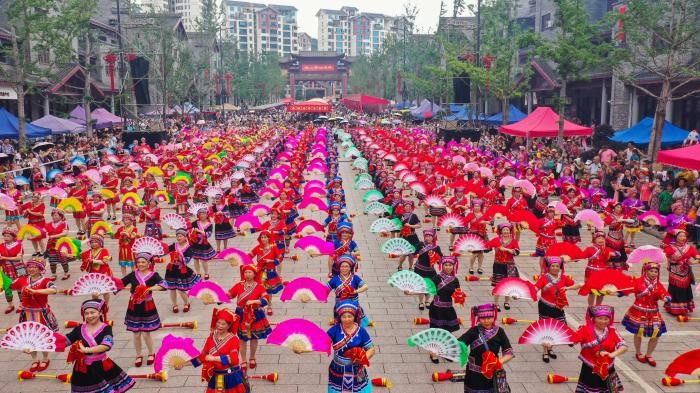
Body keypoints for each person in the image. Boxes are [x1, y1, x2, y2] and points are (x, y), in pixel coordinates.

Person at [65, 299, 135, 393]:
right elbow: (66, 340)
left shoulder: (106, 328)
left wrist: (87, 350)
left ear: (101, 312)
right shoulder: (79, 328)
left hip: (100, 366)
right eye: (86, 313)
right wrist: (50, 340)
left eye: (92, 312)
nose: (89, 316)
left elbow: (106, 345)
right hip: (82, 368)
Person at [174, 308, 247, 393]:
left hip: (231, 377)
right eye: (218, 322)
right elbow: (202, 357)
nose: (219, 326)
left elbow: (233, 359)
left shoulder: (234, 339)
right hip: (216, 376)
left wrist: (214, 358)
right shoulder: (211, 338)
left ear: (229, 325)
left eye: (223, 324)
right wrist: (183, 364)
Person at [11, 257, 59, 372]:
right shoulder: (22, 280)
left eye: (34, 267)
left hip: (41, 314)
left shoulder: (45, 281)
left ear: (40, 268)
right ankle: (34, 359)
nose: (31, 269)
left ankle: (45, 358)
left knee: (42, 336)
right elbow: (11, 286)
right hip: (27, 313)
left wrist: (36, 291)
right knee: (29, 336)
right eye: (29, 266)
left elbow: (54, 290)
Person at [621, 261, 670, 367]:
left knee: (656, 334)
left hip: (653, 312)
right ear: (646, 271)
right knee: (638, 333)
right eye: (651, 271)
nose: (653, 273)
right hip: (639, 311)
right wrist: (617, 292)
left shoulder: (658, 284)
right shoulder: (638, 281)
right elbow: (628, 289)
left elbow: (663, 293)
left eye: (656, 271)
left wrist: (665, 298)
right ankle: (638, 352)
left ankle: (649, 354)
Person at [120, 251, 166, 367]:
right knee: (136, 334)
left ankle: (151, 353)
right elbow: (120, 284)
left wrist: (149, 288)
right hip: (134, 306)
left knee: (146, 333)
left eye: (143, 262)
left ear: (149, 263)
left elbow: (164, 285)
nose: (140, 264)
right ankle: (138, 354)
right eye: (138, 262)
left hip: (147, 305)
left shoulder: (153, 275)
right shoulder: (132, 275)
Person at [533, 256, 582, 363]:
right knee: (546, 329)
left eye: (557, 266)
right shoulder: (544, 278)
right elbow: (535, 288)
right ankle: (545, 351)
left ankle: (551, 348)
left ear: (560, 267)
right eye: (553, 266)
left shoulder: (564, 278)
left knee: (557, 327)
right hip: (545, 306)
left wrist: (568, 288)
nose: (555, 268)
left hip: (558, 307)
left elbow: (578, 285)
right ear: (549, 267)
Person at [457, 303, 514, 393]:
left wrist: (497, 363)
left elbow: (509, 352)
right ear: (479, 319)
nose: (486, 321)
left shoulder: (500, 331)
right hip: (474, 373)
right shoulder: (473, 331)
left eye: (489, 318)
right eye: (483, 318)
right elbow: (460, 342)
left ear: (494, 317)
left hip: (492, 372)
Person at [225, 264, 271, 373]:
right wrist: (218, 297)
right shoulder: (239, 285)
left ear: (254, 274)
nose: (247, 274)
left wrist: (254, 301)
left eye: (250, 272)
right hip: (241, 314)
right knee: (242, 338)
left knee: (254, 337)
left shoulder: (259, 286)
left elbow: (265, 299)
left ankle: (252, 357)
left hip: (254, 315)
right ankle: (244, 360)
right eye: (245, 272)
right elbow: (229, 295)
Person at [572, 305, 628, 393]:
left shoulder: (612, 331)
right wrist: (551, 343)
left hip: (608, 368)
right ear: (593, 318)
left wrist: (611, 354)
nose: (603, 321)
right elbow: (571, 341)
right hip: (590, 369)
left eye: (606, 319)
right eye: (600, 318)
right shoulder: (584, 329)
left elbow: (624, 346)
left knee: (610, 390)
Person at [326, 300, 376, 393]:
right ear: (339, 317)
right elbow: (322, 343)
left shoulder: (361, 331)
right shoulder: (334, 330)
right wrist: (304, 349)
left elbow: (371, 349)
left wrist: (363, 358)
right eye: (343, 316)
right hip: (338, 369)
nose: (347, 319)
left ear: (355, 316)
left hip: (356, 369)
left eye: (350, 316)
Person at [426, 256, 463, 361]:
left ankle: (445, 352)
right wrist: (410, 292)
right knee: (436, 332)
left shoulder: (455, 280)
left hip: (448, 308)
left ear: (453, 266)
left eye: (450, 265)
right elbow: (426, 287)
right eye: (446, 265)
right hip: (436, 308)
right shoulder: (436, 278)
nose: (448, 267)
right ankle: (433, 353)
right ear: (442, 266)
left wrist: (460, 297)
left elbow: (457, 294)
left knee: (447, 332)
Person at [663, 229, 698, 315]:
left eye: (684, 236)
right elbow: (667, 256)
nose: (683, 238)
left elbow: (697, 256)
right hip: (674, 272)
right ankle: (673, 308)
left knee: (685, 290)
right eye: (680, 236)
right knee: (675, 290)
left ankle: (683, 308)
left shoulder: (690, 247)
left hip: (685, 272)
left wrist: (693, 262)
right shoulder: (670, 247)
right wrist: (668, 265)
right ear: (676, 237)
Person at [163, 228, 199, 313]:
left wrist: (179, 257)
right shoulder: (174, 245)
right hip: (171, 269)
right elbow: (165, 251)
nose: (178, 238)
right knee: (172, 288)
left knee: (181, 289)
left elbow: (187, 261)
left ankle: (186, 303)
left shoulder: (189, 248)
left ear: (185, 237)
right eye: (177, 236)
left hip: (181, 270)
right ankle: (174, 305)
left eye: (180, 236)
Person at [487, 223, 520, 310]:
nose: (505, 232)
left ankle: (506, 302)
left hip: (510, 266)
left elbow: (517, 252)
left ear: (510, 232)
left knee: (508, 285)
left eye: (507, 230)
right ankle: (496, 303)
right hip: (498, 265)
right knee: (497, 285)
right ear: (501, 232)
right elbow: (487, 248)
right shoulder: (496, 240)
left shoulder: (513, 241)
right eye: (504, 230)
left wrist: (506, 249)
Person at [413, 229, 441, 310]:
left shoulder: (436, 247)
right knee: (421, 286)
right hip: (419, 269)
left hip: (430, 270)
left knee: (429, 285)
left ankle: (427, 301)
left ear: (433, 237)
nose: (428, 238)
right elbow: (414, 253)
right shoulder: (421, 244)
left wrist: (437, 259)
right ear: (424, 237)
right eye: (426, 236)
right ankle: (421, 302)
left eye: (430, 236)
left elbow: (440, 259)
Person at [0, 226, 25, 313]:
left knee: (21, 286)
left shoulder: (19, 245)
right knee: (7, 287)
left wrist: (5, 258)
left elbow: (19, 258)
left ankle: (22, 304)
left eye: (8, 236)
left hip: (19, 268)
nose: (5, 238)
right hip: (6, 268)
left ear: (13, 237)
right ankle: (10, 305)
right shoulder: (1, 246)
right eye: (5, 236)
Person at [189, 207, 216, 280]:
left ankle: (206, 272)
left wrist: (199, 231)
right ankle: (198, 273)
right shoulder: (195, 223)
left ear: (207, 215)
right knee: (196, 259)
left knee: (204, 260)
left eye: (203, 214)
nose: (202, 215)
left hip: (203, 244)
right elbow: (189, 229)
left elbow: (208, 234)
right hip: (195, 243)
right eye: (200, 214)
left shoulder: (209, 224)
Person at [45, 209, 71, 280]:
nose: (54, 217)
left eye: (56, 215)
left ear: (60, 216)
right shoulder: (49, 224)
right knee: (52, 260)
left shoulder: (64, 223)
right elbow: (44, 231)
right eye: (53, 215)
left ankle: (66, 273)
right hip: (51, 245)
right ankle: (54, 274)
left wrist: (54, 236)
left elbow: (65, 233)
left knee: (63, 259)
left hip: (61, 244)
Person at [398, 200, 421, 271]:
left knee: (411, 254)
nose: (408, 207)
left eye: (409, 206)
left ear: (411, 208)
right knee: (404, 254)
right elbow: (397, 226)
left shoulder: (414, 216)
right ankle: (400, 265)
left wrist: (410, 225)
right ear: (404, 207)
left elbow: (419, 225)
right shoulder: (400, 216)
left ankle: (410, 267)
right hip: (404, 236)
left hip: (413, 237)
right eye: (406, 206)